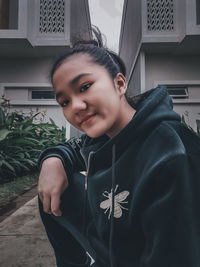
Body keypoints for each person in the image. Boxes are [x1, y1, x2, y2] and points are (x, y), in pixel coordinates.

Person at [37, 27, 200, 267]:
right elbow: (73, 148)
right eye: (64, 101)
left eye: (84, 87)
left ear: (120, 83)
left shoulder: (173, 153)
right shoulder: (103, 137)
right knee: (50, 190)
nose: (75, 107)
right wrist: (52, 160)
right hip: (110, 241)